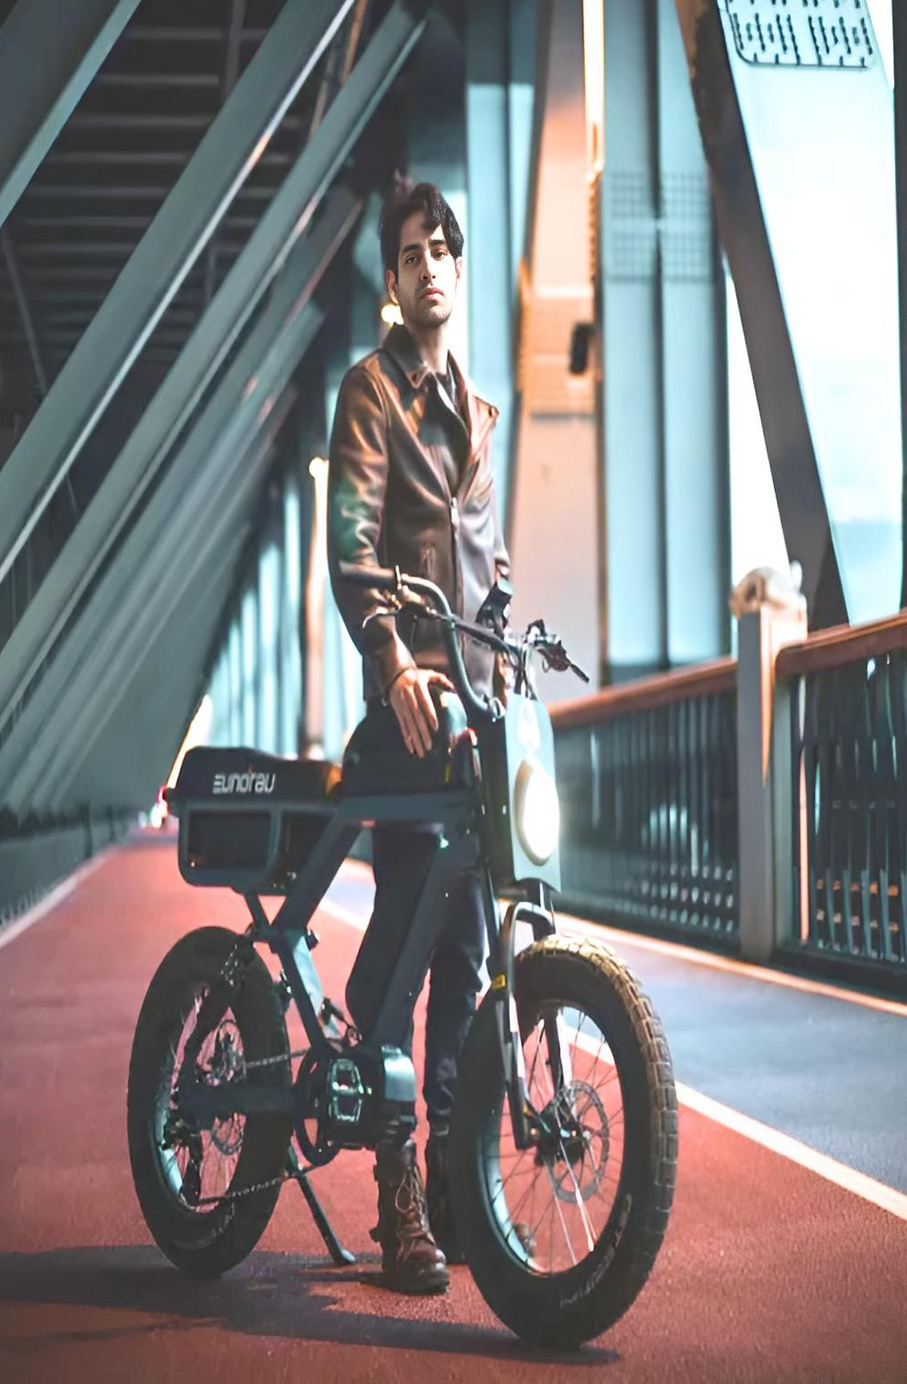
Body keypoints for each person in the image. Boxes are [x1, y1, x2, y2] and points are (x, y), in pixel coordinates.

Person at [326, 180, 511, 1295]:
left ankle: (449, 1177)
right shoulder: (370, 394)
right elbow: (352, 542)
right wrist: (390, 655)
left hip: (478, 717)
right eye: (409, 252)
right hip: (409, 711)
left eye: (444, 247)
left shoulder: (482, 413)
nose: (430, 264)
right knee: (403, 944)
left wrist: (512, 659)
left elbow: (486, 569)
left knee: (473, 953)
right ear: (391, 283)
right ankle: (399, 1191)